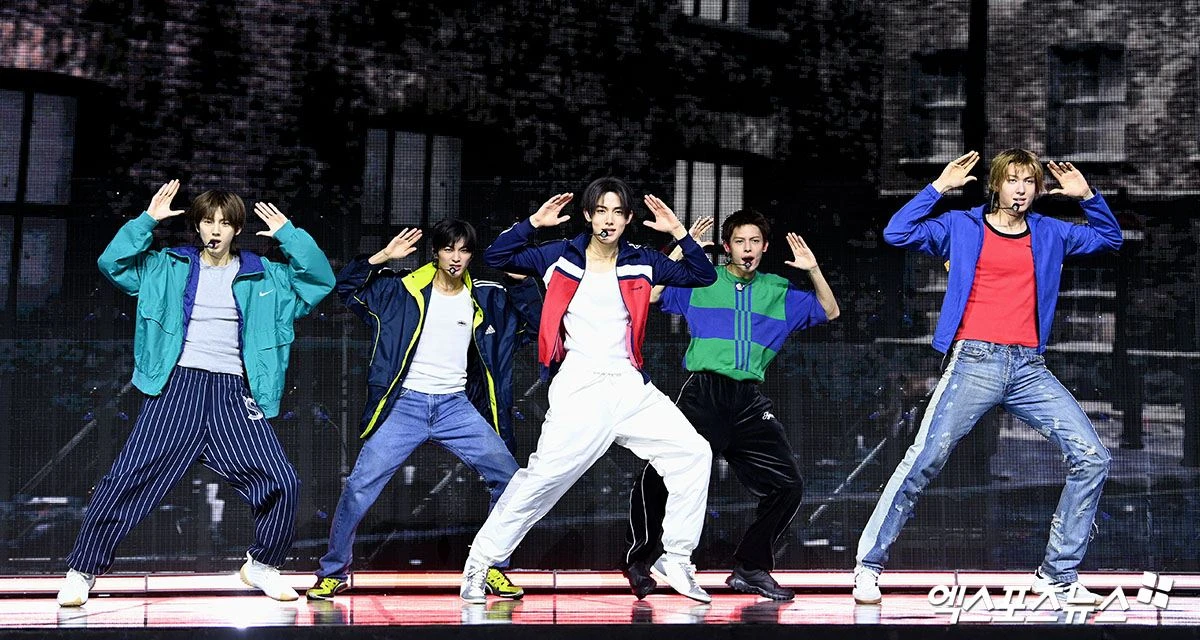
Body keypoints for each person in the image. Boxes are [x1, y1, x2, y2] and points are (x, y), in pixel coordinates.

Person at [852, 149, 1122, 605]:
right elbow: (897, 232)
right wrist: (939, 187)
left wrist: (1088, 197)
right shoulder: (962, 225)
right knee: (924, 460)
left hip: (1029, 368)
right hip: (974, 361)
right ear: (996, 184)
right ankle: (868, 566)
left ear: (1038, 190)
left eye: (1029, 182)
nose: (1021, 189)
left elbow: (1110, 239)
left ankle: (1058, 574)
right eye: (1012, 180)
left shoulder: (1051, 231)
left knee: (1092, 457)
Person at [58, 180, 336, 606]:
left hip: (234, 391)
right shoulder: (165, 267)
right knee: (126, 479)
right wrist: (147, 220)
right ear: (197, 226)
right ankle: (82, 571)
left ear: (237, 229)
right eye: (207, 221)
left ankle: (262, 565)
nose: (215, 230)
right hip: (177, 387)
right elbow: (112, 263)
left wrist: (288, 235)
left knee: (282, 481)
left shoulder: (267, 276)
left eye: (224, 223)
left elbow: (319, 281)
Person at [459, 177, 717, 604]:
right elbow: (495, 256)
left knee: (693, 453)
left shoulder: (643, 260)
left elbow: (703, 274)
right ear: (588, 216)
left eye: (617, 212)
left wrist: (678, 232)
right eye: (600, 211)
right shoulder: (559, 255)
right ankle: (480, 563)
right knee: (542, 481)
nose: (608, 220)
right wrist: (533, 223)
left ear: (628, 219)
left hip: (629, 385)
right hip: (581, 385)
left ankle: (675, 558)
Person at [306, 218, 540, 601]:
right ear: (436, 253)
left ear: (471, 256)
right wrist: (382, 257)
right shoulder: (402, 291)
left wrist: (520, 280)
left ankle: (492, 567)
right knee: (359, 487)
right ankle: (334, 571)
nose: (456, 258)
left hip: (455, 406)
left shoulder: (485, 298)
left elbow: (535, 325)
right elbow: (345, 290)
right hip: (405, 406)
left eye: (464, 250)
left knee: (511, 481)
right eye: (449, 249)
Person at [624, 209, 839, 601]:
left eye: (755, 241)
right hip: (704, 393)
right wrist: (681, 248)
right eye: (740, 241)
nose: (747, 248)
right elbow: (651, 293)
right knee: (660, 472)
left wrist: (813, 269)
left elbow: (830, 310)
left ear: (765, 247)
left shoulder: (776, 289)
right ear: (727, 247)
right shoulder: (703, 279)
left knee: (787, 485)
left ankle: (751, 568)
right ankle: (641, 560)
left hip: (748, 402)